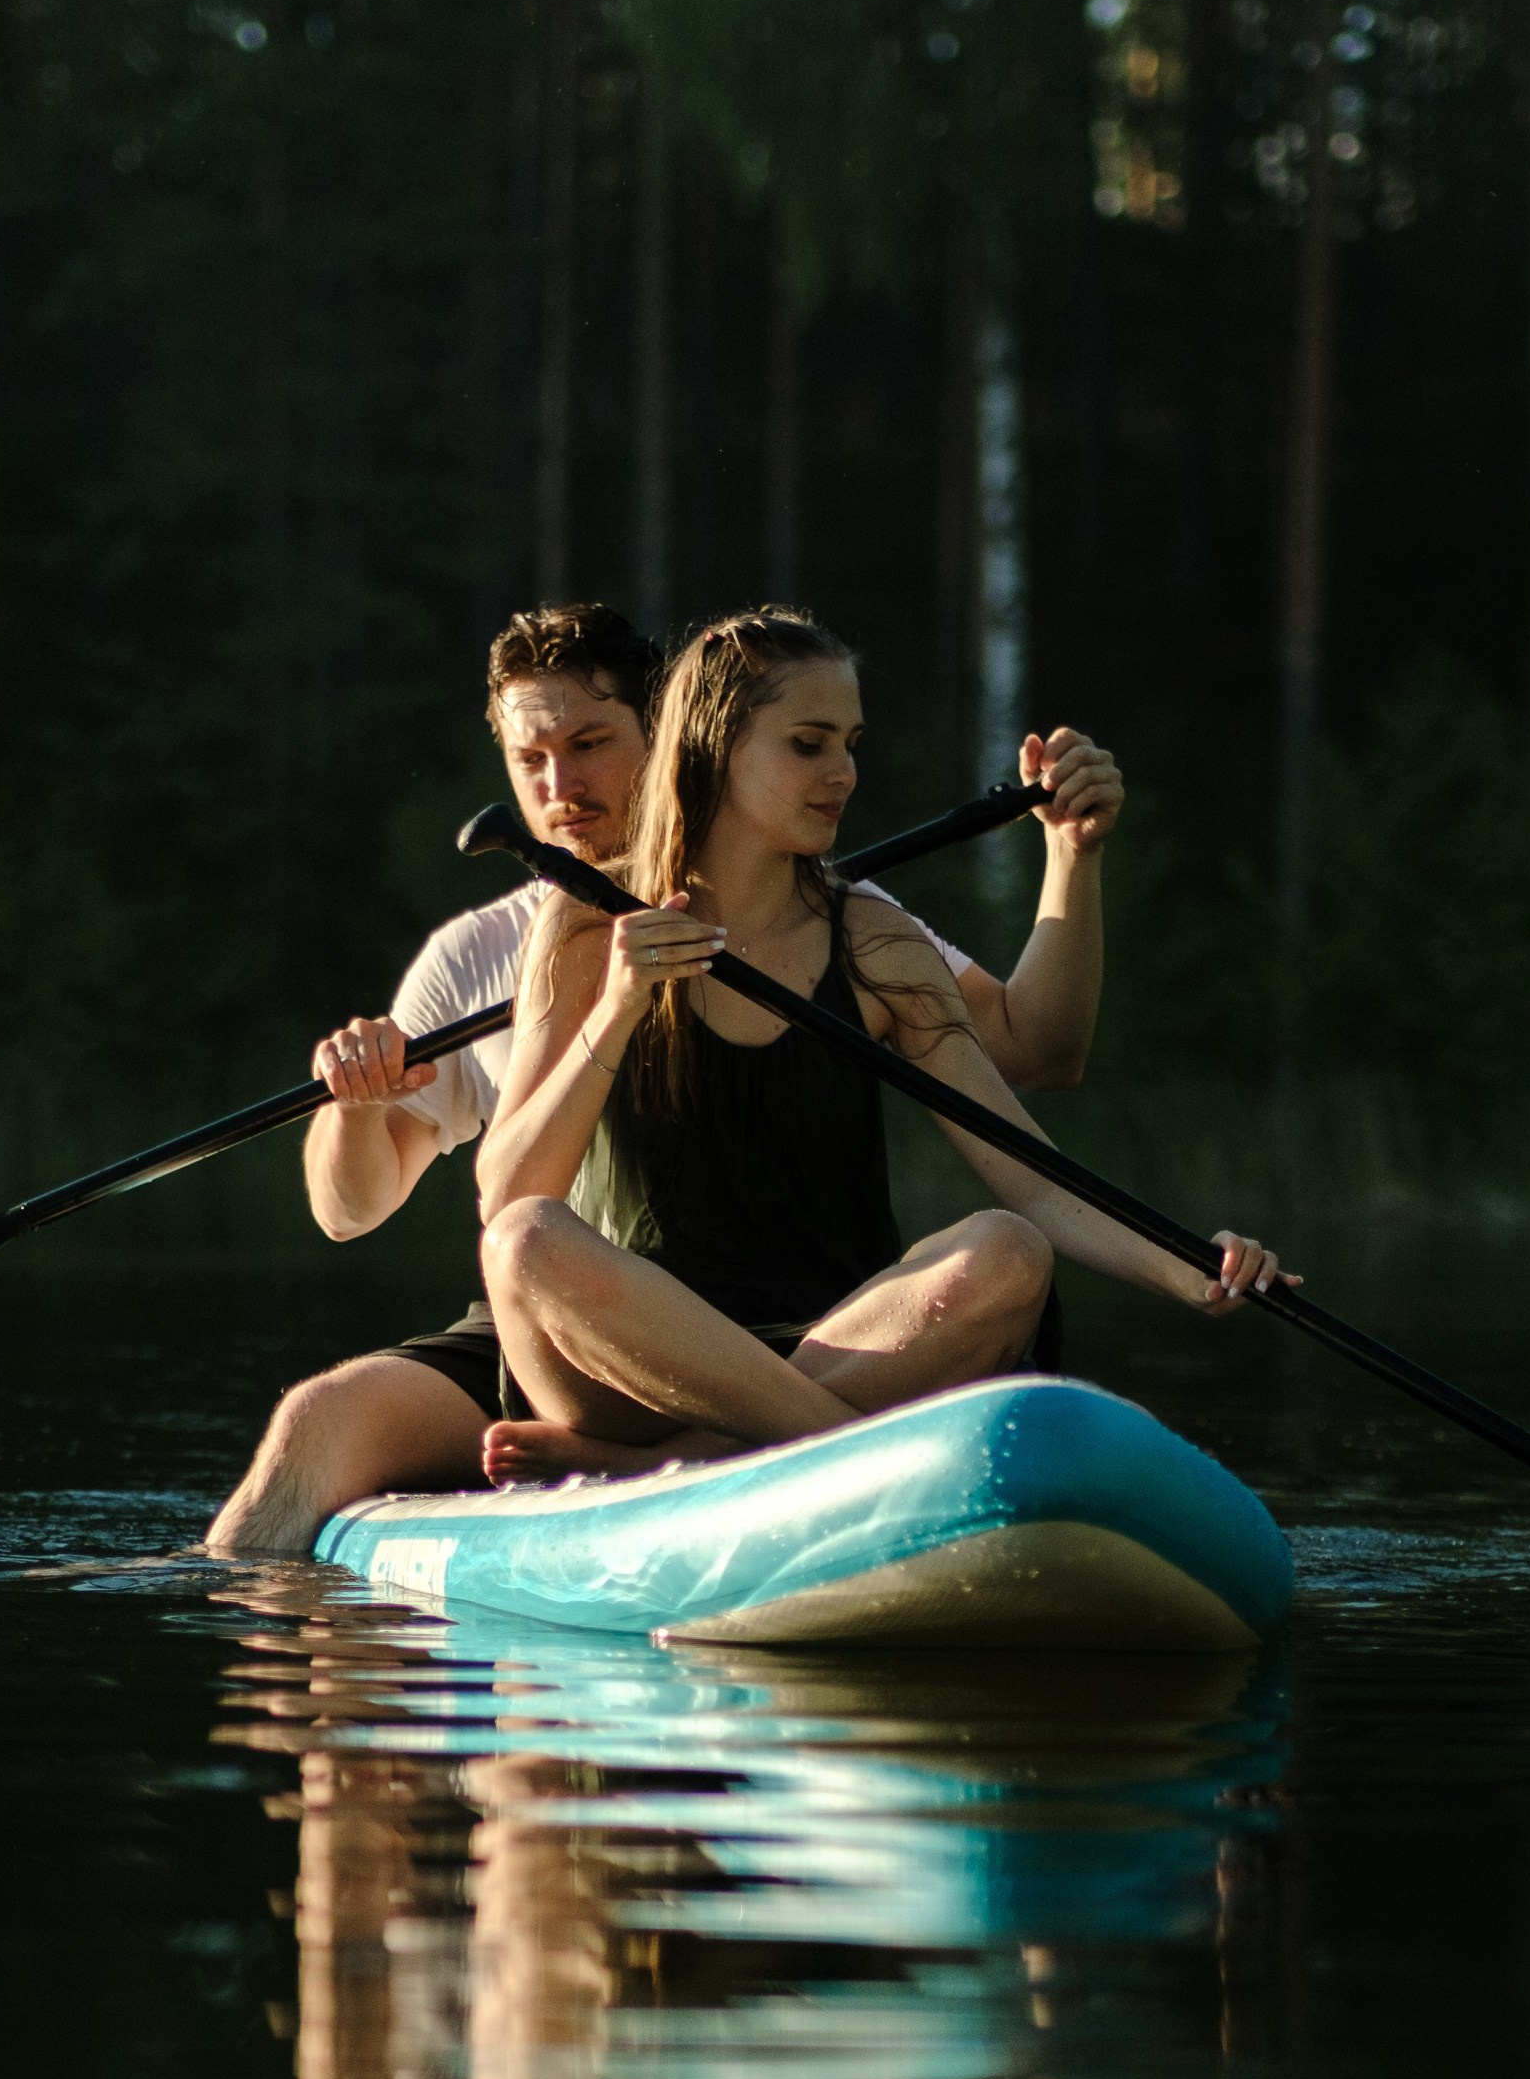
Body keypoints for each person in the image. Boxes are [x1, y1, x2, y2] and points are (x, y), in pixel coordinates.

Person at [205, 600, 1128, 1554]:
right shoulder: (480, 949)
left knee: (989, 1253)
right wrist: (356, 1106)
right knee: (315, 1423)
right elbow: (350, 1207)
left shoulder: (825, 909)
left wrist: (1071, 854)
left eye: (591, 743)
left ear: (679, 733)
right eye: (531, 759)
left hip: (802, 1321)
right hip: (570, 1335)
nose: (560, 784)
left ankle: (710, 1451)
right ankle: (229, 1629)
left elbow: (1035, 1051)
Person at [474, 608, 1290, 1480]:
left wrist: (1193, 1268)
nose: (844, 775)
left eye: (850, 744)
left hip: (848, 1345)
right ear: (714, 745)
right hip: (631, 1368)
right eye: (809, 745)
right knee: (525, 1240)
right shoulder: (585, 921)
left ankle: (699, 1459)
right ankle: (807, 1447)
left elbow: (1033, 1180)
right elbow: (509, 1195)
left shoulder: (874, 941)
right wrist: (619, 1006)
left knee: (1009, 1248)